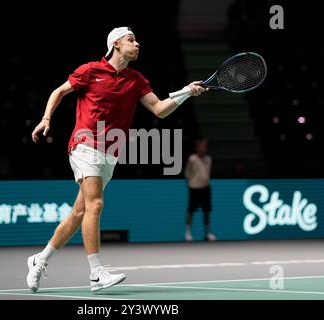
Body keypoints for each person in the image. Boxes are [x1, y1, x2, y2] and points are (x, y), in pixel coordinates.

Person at [29, 26, 207, 293]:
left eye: (137, 40)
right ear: (115, 45)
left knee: (80, 212)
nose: (137, 44)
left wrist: (184, 93)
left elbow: (159, 109)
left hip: (110, 154)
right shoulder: (90, 70)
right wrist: (45, 119)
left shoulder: (136, 80)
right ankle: (96, 273)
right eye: (131, 40)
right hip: (84, 144)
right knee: (96, 204)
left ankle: (39, 259)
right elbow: (59, 92)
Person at [184, 137, 217, 242]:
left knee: (206, 211)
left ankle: (207, 233)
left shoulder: (208, 159)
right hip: (194, 188)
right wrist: (191, 183)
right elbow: (187, 173)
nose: (203, 148)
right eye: (201, 146)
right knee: (191, 210)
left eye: (205, 146)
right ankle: (188, 233)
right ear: (197, 147)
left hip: (206, 188)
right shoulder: (192, 159)